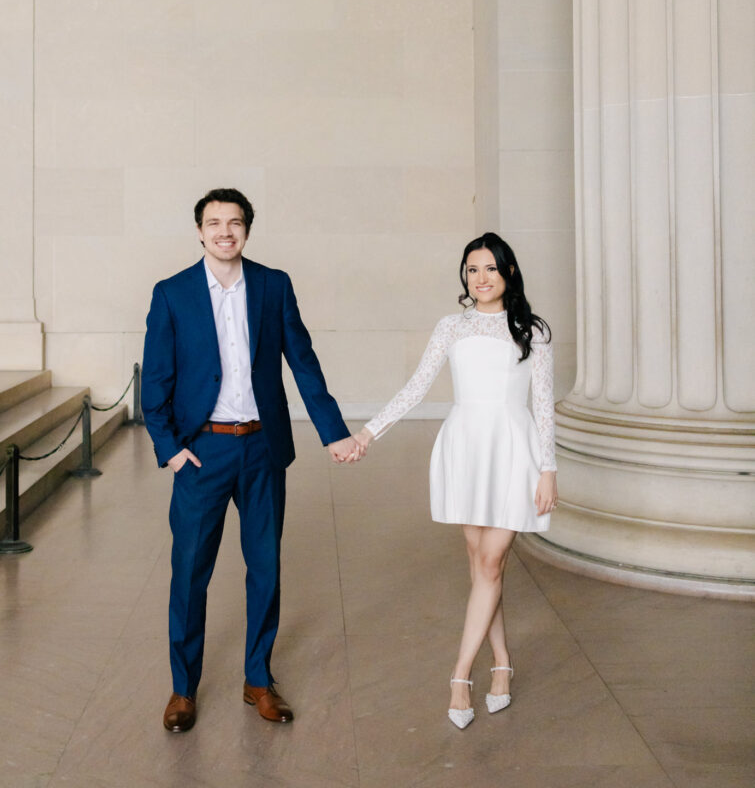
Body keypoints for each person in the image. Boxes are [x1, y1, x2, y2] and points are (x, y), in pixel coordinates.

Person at [142, 187, 358, 733]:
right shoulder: (171, 294)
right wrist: (171, 451)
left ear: (246, 230)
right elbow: (157, 383)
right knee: (190, 573)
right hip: (202, 453)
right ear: (199, 231)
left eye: (234, 222)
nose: (224, 231)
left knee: (265, 565)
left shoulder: (272, 285)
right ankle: (183, 689)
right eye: (214, 222)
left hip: (262, 448)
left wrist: (333, 432)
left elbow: (303, 364)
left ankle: (258, 679)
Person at [351, 233, 558, 729]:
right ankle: (502, 662)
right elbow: (418, 386)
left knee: (490, 562)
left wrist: (548, 468)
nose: (480, 278)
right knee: (483, 569)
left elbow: (543, 406)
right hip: (465, 449)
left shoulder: (532, 331)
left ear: (508, 272)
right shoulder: (452, 326)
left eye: (490, 268)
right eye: (471, 269)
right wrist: (368, 433)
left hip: (514, 451)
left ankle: (460, 676)